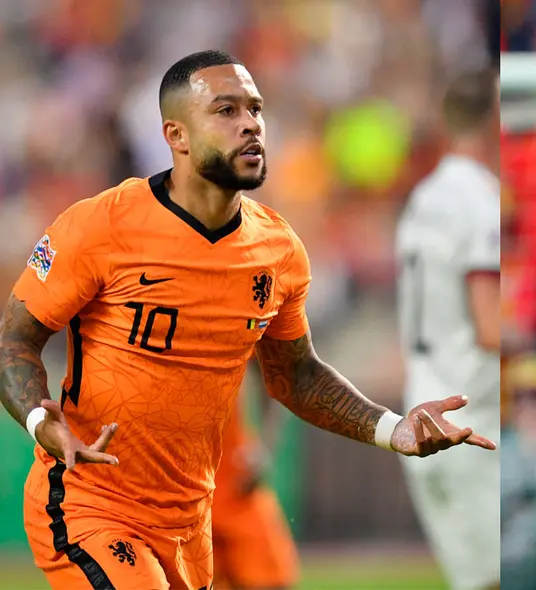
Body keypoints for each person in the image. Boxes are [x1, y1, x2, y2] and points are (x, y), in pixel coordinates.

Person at [0, 50, 495, 590]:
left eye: (255, 109)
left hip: (190, 523)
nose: (251, 125)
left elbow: (296, 375)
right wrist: (39, 423)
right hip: (91, 501)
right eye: (226, 111)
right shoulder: (100, 225)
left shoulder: (277, 249)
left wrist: (390, 428)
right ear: (177, 135)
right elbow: (14, 341)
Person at [396, 68, 501, 590]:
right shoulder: (481, 201)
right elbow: (488, 326)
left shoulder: (422, 200)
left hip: (418, 418)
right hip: (471, 422)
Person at [212, 357, 298, 590]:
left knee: (272, 580)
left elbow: (280, 378)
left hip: (234, 481)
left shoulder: (236, 322)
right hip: (171, 490)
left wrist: (265, 448)